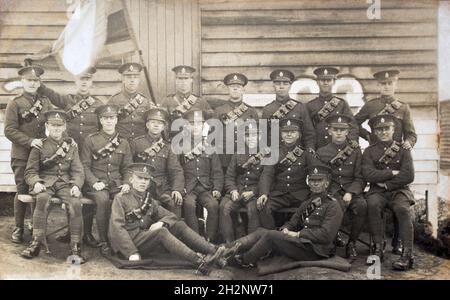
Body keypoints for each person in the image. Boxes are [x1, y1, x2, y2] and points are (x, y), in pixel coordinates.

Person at [108, 163, 226, 275]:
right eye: (139, 178)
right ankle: (200, 262)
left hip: (143, 238)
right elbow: (117, 228)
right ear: (131, 179)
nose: (143, 182)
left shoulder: (149, 200)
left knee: (179, 225)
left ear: (149, 182)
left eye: (146, 179)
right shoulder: (121, 198)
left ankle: (215, 252)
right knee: (162, 232)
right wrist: (131, 252)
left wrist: (161, 222)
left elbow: (171, 216)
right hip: (130, 241)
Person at [221, 165, 343, 268]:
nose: (315, 184)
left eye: (319, 181)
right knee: (260, 231)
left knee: (271, 235)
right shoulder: (307, 202)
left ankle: (243, 261)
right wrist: (285, 229)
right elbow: (293, 222)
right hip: (302, 243)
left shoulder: (333, 205)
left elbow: (326, 235)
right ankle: (222, 249)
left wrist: (298, 234)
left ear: (326, 183)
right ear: (309, 183)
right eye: (312, 180)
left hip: (316, 250)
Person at [354, 69, 417, 255]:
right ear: (378, 85)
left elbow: (411, 133)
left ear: (395, 84)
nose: (387, 86)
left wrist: (408, 143)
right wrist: (369, 138)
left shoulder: (403, 107)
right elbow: (354, 122)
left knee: (400, 206)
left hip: (397, 155)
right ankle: (378, 245)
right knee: (374, 203)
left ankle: (398, 243)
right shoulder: (371, 105)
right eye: (383, 84)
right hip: (377, 158)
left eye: (390, 83)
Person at [4, 65, 61, 244]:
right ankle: (18, 227)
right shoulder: (15, 103)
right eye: (29, 80)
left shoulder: (45, 102)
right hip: (22, 154)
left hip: (40, 155)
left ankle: (33, 224)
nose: (32, 83)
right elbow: (9, 130)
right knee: (22, 189)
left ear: (39, 82)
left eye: (36, 80)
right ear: (22, 81)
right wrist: (29, 141)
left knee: (39, 188)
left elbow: (55, 121)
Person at [20, 111, 86, 263]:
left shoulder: (71, 146)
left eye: (60, 125)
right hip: (45, 183)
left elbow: (78, 170)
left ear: (64, 127)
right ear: (47, 126)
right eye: (53, 125)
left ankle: (76, 246)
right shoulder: (39, 145)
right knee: (42, 199)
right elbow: (30, 171)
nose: (56, 128)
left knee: (75, 202)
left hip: (65, 183)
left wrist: (76, 185)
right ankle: (36, 242)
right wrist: (36, 182)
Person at [362, 114, 415, 271]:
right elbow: (368, 174)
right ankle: (378, 249)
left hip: (399, 191)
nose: (383, 132)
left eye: (387, 129)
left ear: (393, 129)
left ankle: (407, 254)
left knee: (402, 209)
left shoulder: (403, 149)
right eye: (379, 130)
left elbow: (408, 175)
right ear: (375, 132)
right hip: (376, 191)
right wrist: (392, 173)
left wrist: (386, 185)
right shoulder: (369, 152)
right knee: (372, 204)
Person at [80, 104, 133, 254]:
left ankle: (122, 239)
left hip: (116, 183)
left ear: (116, 120)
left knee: (124, 198)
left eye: (112, 118)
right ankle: (104, 241)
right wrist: (94, 182)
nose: (109, 121)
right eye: (105, 118)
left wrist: (127, 183)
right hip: (95, 184)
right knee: (102, 200)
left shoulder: (123, 142)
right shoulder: (91, 140)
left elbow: (128, 167)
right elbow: (84, 165)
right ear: (100, 120)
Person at [316, 115, 367, 261]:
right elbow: (322, 178)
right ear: (329, 131)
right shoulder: (322, 152)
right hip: (332, 191)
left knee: (362, 205)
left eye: (342, 130)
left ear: (347, 132)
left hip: (352, 190)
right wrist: (329, 194)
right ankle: (330, 242)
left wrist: (351, 192)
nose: (339, 133)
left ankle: (351, 243)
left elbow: (360, 177)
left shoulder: (355, 151)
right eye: (335, 129)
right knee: (333, 206)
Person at [257, 118, 316, 229]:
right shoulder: (274, 152)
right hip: (280, 194)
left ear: (299, 135)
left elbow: (315, 173)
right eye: (285, 132)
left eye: (293, 132)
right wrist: (264, 193)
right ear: (281, 134)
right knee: (263, 207)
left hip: (300, 195)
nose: (289, 134)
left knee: (313, 208)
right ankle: (272, 237)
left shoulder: (306, 154)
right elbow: (267, 174)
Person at [130, 107, 184, 218]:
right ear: (147, 125)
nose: (156, 125)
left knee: (173, 202)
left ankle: (174, 232)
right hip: (142, 186)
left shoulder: (168, 147)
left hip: (162, 188)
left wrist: (176, 189)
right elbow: (128, 166)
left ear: (164, 127)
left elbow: (176, 170)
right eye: (153, 122)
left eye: (159, 123)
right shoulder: (136, 143)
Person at [219, 123, 268, 243]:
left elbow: (268, 180)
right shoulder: (238, 154)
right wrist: (233, 190)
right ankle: (228, 244)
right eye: (247, 136)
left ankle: (250, 244)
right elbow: (230, 176)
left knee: (253, 210)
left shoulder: (266, 155)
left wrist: (254, 192)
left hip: (254, 194)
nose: (250, 139)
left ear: (260, 137)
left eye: (253, 136)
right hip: (238, 191)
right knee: (224, 207)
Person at [179, 110, 224, 242]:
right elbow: (177, 170)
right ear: (187, 126)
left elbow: (217, 171)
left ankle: (209, 239)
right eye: (192, 124)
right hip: (189, 188)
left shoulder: (209, 146)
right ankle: (195, 240)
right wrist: (182, 188)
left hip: (205, 188)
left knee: (213, 205)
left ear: (204, 126)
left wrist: (217, 188)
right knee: (188, 204)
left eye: (199, 123)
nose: (196, 126)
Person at [37, 67, 104, 147]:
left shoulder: (98, 104)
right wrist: (37, 80)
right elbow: (50, 94)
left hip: (90, 148)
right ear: (76, 81)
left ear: (91, 82)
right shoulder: (67, 100)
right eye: (81, 79)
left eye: (87, 79)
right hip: (70, 146)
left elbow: (102, 129)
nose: (84, 82)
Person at [213, 73, 259, 169]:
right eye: (232, 86)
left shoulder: (251, 111)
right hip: (225, 158)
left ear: (243, 90)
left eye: (238, 86)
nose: (235, 89)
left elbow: (256, 137)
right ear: (227, 89)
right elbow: (213, 137)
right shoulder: (219, 111)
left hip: (245, 157)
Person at [261, 69, 316, 150]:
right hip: (275, 155)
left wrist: (309, 153)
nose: (281, 86)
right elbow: (263, 136)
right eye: (278, 83)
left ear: (290, 86)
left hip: (296, 157)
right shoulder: (268, 109)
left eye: (285, 83)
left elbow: (309, 135)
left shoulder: (300, 108)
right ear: (273, 86)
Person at [306, 67, 358, 149]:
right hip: (317, 149)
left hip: (338, 150)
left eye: (329, 80)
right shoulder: (310, 106)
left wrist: (350, 146)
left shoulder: (341, 104)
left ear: (334, 82)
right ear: (317, 82)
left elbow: (352, 127)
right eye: (322, 80)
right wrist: (310, 149)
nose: (325, 83)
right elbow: (307, 131)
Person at [108, 62, 156, 140]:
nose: (132, 80)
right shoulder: (114, 100)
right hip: (121, 143)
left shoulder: (145, 101)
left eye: (135, 77)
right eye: (129, 77)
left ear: (139, 80)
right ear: (123, 79)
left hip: (140, 143)